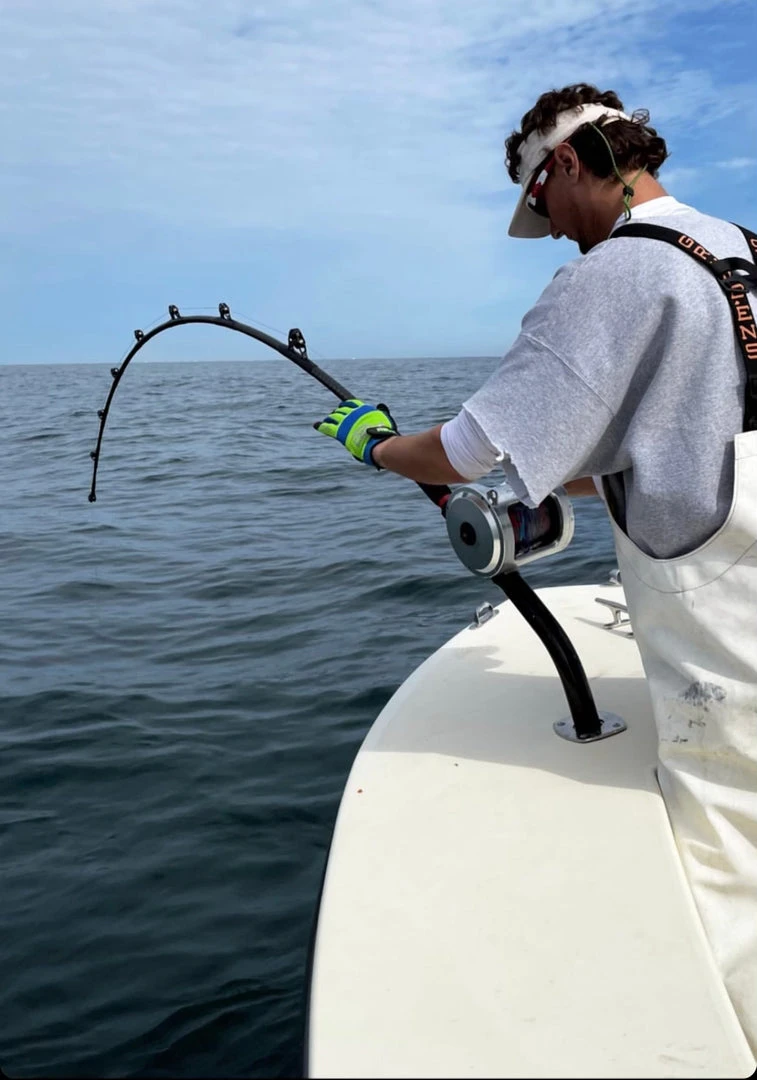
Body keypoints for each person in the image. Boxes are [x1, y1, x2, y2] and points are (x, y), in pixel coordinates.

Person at [314, 83, 757, 1055]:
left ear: (562, 165)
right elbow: (690, 441)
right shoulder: (740, 249)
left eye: (540, 201)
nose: (549, 228)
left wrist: (376, 447)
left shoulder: (614, 272)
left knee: (735, 853)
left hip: (731, 625)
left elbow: (467, 450)